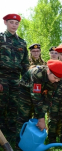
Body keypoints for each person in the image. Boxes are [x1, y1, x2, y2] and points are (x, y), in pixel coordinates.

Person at [17, 60, 62, 151]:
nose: (56, 81)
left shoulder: (55, 80)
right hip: (25, 92)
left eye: (58, 79)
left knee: (37, 120)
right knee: (24, 117)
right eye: (55, 78)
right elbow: (36, 97)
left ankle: (33, 147)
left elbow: (47, 99)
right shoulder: (37, 74)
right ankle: (19, 147)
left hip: (39, 94)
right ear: (49, 71)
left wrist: (41, 117)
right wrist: (41, 119)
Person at [0, 14, 29, 142]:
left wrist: (26, 81)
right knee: (1, 106)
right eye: (11, 22)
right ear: (5, 23)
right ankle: (1, 136)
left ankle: (11, 135)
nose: (14, 25)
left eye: (16, 23)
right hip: (2, 78)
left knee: (14, 106)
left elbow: (25, 64)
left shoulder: (22, 42)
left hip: (16, 79)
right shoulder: (1, 39)